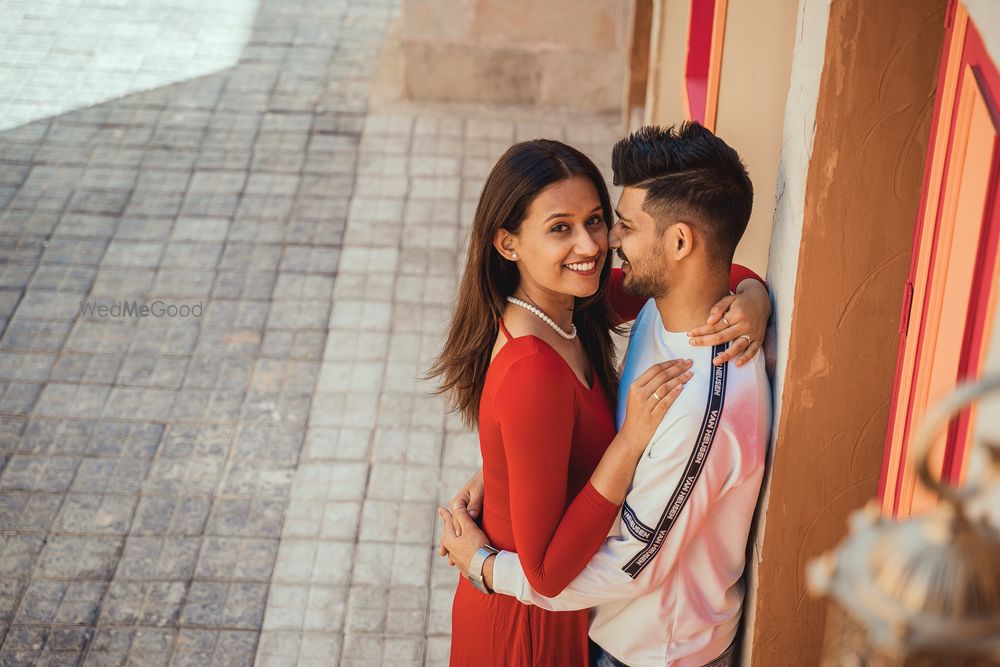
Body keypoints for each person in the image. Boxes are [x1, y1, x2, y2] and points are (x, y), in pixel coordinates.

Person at [428, 136, 770, 666]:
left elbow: (704, 271)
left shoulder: (579, 302)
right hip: (528, 624)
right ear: (508, 243)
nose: (596, 245)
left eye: (599, 221)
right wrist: (629, 440)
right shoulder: (534, 367)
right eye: (560, 228)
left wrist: (756, 297)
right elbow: (545, 573)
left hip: (579, 613)